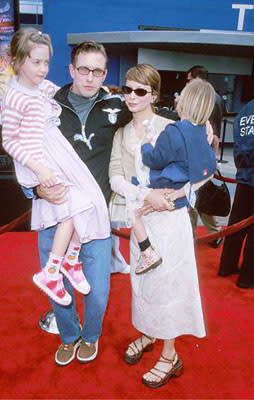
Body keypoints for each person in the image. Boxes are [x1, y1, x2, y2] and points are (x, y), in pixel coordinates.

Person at [23, 39, 164, 366]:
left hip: (97, 218)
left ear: (104, 74)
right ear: (71, 70)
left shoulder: (115, 106)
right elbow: (24, 151)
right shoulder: (47, 105)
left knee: (98, 292)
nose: (89, 77)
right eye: (83, 69)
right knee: (57, 282)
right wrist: (35, 190)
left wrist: (194, 126)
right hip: (55, 215)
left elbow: (149, 113)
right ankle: (70, 335)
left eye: (97, 71)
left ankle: (91, 335)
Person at [109, 63, 216, 388]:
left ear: (154, 95)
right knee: (144, 285)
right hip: (142, 217)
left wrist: (176, 193)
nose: (131, 96)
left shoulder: (176, 125)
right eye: (126, 89)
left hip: (171, 221)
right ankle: (148, 334)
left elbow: (205, 170)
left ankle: (170, 356)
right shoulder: (121, 133)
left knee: (168, 286)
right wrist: (146, 195)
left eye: (140, 91)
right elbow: (115, 176)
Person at [0, 28, 112, 307]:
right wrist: (38, 170)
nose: (42, 68)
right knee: (75, 207)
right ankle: (52, 271)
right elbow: (9, 141)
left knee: (82, 203)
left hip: (50, 158)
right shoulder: (13, 96)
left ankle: (69, 261)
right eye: (35, 62)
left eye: (45, 62)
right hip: (37, 163)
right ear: (18, 61)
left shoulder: (45, 88)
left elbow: (59, 91)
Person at [185, 65, 224, 248]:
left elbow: (214, 135)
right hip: (200, 156)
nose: (188, 84)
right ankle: (194, 235)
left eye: (189, 80)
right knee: (194, 199)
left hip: (201, 158)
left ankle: (214, 233)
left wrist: (211, 159)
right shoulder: (213, 97)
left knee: (200, 200)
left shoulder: (208, 99)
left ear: (198, 79)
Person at [218, 98, 254, 288]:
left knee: (237, 224)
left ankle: (227, 266)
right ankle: (248, 277)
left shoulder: (246, 109)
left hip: (244, 176)